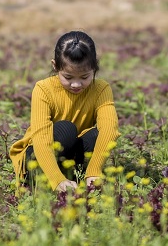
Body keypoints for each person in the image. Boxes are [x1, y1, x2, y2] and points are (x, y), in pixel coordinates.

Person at [9, 31, 120, 192]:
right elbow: (41, 138)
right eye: (68, 77)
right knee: (66, 129)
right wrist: (56, 179)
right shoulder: (43, 89)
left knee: (95, 135)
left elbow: (110, 129)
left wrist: (94, 170)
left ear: (94, 67)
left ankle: (78, 178)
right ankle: (47, 179)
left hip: (70, 156)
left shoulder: (101, 89)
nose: (76, 84)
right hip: (38, 156)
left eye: (84, 77)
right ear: (55, 66)